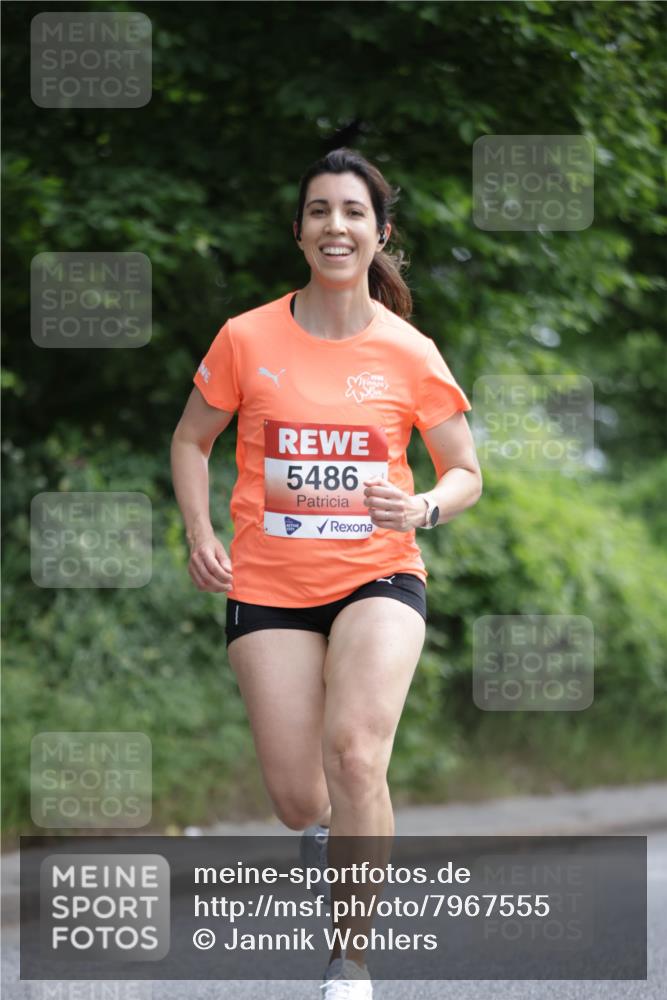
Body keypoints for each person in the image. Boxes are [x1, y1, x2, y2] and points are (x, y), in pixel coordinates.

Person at [170, 147, 482, 999]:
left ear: (379, 234)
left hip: (379, 575)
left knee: (354, 756)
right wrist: (199, 532)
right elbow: (191, 439)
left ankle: (350, 961)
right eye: (318, 211)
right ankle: (323, 832)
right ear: (299, 231)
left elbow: (463, 471)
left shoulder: (410, 351)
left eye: (352, 212)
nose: (334, 226)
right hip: (267, 586)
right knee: (296, 797)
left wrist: (422, 508)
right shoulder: (246, 337)